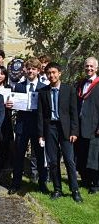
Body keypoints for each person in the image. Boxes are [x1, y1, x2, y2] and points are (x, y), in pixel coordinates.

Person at [38, 62, 83, 202]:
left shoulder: (69, 89)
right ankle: (57, 189)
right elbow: (40, 115)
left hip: (66, 129)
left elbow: (73, 112)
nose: (51, 75)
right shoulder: (43, 92)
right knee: (53, 161)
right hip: (50, 127)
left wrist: (74, 131)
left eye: (54, 72)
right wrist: (41, 134)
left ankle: (74, 190)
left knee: (69, 160)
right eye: (49, 73)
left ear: (59, 73)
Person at [7, 58, 48, 195]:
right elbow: (14, 104)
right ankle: (15, 183)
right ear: (25, 70)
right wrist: (10, 105)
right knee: (19, 156)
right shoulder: (19, 86)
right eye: (29, 68)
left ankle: (42, 184)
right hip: (22, 126)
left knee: (40, 156)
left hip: (37, 127)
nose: (31, 71)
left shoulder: (43, 88)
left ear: (38, 70)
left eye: (33, 69)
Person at [76, 57, 99, 194]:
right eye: (87, 66)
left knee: (94, 156)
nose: (89, 68)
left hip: (94, 126)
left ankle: (95, 184)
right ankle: (85, 180)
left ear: (96, 68)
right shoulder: (81, 84)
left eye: (91, 66)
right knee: (82, 154)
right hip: (81, 125)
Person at [0, 66, 14, 183]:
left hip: (5, 121)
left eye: (2, 74)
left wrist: (9, 105)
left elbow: (13, 105)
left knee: (3, 148)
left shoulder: (9, 88)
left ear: (5, 76)